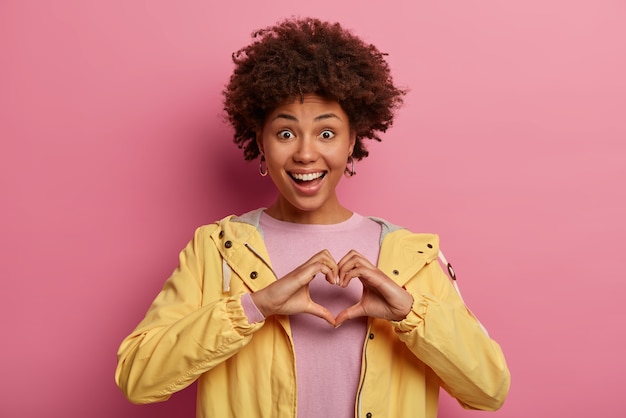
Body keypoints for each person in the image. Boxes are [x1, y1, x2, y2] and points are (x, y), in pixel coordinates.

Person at [115, 17, 510, 418]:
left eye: (326, 133)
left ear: (352, 141)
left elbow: (489, 391)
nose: (305, 154)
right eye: (286, 133)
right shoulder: (216, 250)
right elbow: (137, 378)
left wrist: (410, 312)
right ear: (260, 142)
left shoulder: (410, 256)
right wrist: (254, 307)